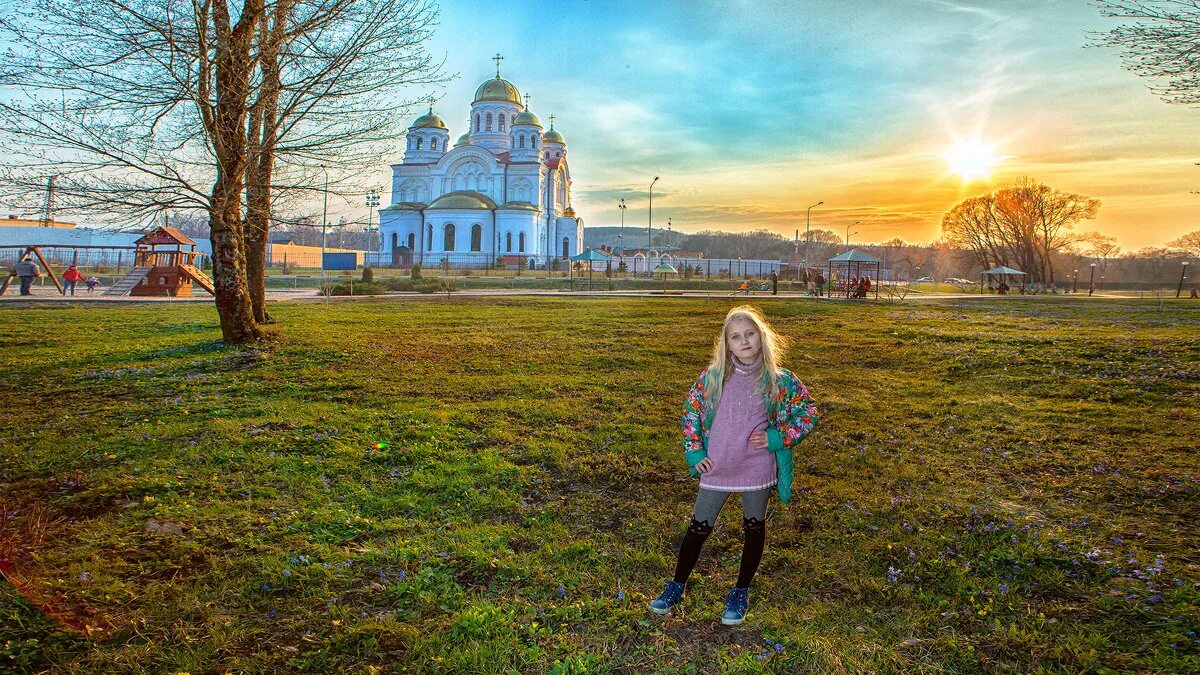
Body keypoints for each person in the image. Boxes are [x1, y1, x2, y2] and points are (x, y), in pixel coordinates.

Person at [651, 305, 819, 625]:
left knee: (754, 528)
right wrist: (694, 452)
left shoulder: (780, 381)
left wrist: (776, 438)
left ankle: (740, 590)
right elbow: (691, 414)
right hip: (718, 467)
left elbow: (809, 414)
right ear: (727, 344)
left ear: (761, 336)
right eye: (736, 337)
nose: (744, 341)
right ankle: (677, 584)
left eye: (750, 334)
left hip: (756, 468)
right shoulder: (713, 378)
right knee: (698, 528)